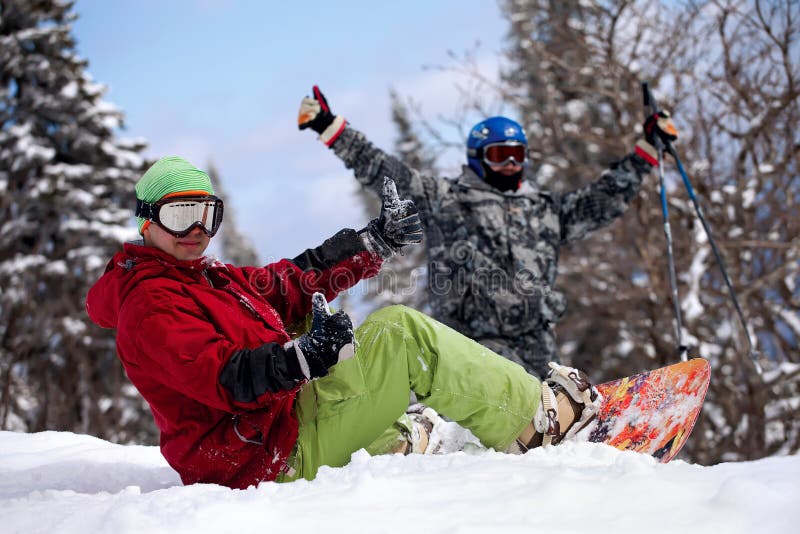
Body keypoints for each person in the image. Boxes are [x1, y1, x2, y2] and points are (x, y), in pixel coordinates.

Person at [86, 156, 601, 489]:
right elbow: (224, 377)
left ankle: (393, 439)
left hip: (276, 429)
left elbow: (285, 284)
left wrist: (369, 244)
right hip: (261, 460)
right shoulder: (151, 305)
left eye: (208, 215)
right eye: (181, 216)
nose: (197, 231)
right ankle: (538, 421)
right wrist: (302, 357)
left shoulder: (207, 279)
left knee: (373, 340)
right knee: (401, 333)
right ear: (146, 220)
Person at [298, 86, 678, 378]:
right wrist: (331, 127)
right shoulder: (446, 200)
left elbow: (603, 200)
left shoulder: (545, 210)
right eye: (499, 155)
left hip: (537, 346)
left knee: (551, 422)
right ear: (478, 157)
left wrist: (646, 151)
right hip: (470, 347)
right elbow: (383, 170)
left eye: (518, 154)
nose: (511, 164)